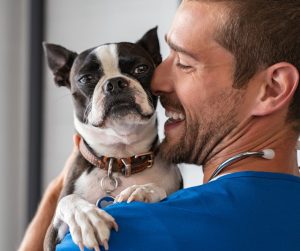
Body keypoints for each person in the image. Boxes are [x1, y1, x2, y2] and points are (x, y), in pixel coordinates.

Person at [19, 0, 300, 250]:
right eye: (166, 58)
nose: (157, 81)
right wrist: (61, 190)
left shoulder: (111, 231)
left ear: (272, 88)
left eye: (185, 63)